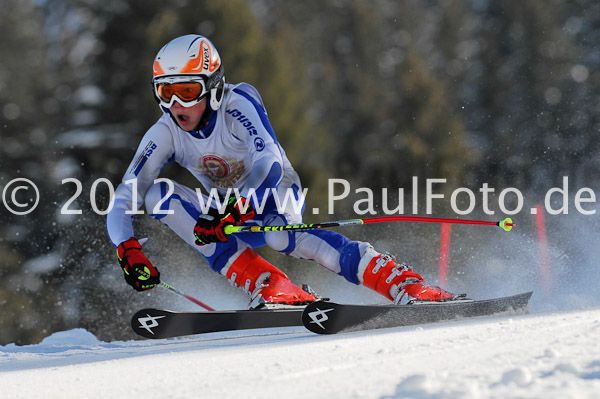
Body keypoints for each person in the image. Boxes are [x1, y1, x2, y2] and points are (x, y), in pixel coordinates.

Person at [106, 34, 454, 309]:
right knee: (155, 194)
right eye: (166, 93)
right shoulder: (165, 132)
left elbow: (269, 160)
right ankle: (271, 285)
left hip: (274, 192)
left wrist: (238, 206)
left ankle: (403, 282)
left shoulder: (237, 103)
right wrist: (127, 248)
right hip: (225, 210)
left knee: (280, 236)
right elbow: (127, 194)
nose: (175, 105)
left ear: (212, 86)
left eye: (186, 91)